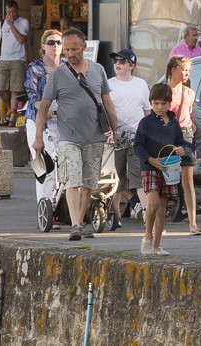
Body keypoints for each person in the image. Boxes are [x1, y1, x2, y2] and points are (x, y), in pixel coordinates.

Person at [33, 28, 120, 242]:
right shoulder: (58, 74)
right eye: (67, 49)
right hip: (67, 136)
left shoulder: (99, 70)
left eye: (74, 49)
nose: (70, 53)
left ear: (84, 47)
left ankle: (80, 221)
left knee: (89, 182)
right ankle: (74, 225)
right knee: (72, 179)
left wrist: (115, 131)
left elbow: (107, 103)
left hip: (95, 136)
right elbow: (43, 107)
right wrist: (38, 137)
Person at [135, 82, 187, 256]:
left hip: (169, 168)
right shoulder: (146, 122)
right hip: (149, 166)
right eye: (156, 103)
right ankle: (147, 236)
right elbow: (138, 146)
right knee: (153, 203)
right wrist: (151, 160)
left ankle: (157, 245)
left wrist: (181, 149)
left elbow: (180, 142)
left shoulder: (173, 122)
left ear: (169, 103)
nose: (159, 107)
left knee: (163, 205)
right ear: (151, 102)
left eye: (163, 103)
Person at [108, 48, 152, 228]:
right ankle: (114, 217)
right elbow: (104, 111)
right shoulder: (108, 83)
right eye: (116, 61)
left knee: (139, 178)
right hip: (115, 137)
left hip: (137, 137)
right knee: (114, 179)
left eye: (122, 61)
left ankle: (149, 218)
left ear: (131, 65)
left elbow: (147, 111)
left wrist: (150, 134)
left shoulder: (141, 84)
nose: (117, 64)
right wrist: (110, 131)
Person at [26, 29, 63, 231]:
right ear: (43, 45)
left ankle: (61, 206)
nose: (55, 46)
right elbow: (31, 93)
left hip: (62, 121)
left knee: (62, 165)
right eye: (50, 42)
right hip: (38, 121)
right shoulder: (35, 68)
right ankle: (46, 209)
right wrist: (42, 106)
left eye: (58, 42)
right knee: (45, 166)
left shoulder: (66, 67)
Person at [164, 55, 201, 236]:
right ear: (174, 70)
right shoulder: (164, 91)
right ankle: (159, 220)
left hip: (186, 134)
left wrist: (198, 136)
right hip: (167, 135)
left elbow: (188, 115)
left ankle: (193, 223)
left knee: (188, 180)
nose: (187, 73)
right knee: (163, 179)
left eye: (189, 70)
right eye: (184, 69)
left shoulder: (189, 92)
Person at [0, 0, 30, 123]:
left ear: (17, 10)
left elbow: (20, 40)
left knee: (15, 89)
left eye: (13, 12)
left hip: (18, 59)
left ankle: (12, 118)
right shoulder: (2, 23)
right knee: (0, 88)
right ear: (5, 11)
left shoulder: (24, 22)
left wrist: (12, 25)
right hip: (3, 59)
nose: (11, 15)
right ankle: (9, 109)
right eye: (8, 12)